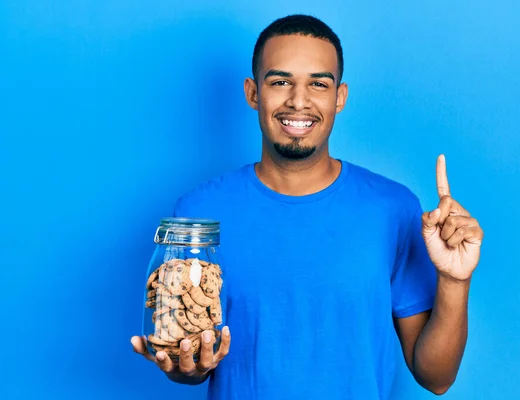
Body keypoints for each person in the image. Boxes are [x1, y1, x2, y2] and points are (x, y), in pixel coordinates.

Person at [131, 14, 484, 399]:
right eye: (280, 82)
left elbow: (437, 377)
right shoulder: (199, 215)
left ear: (340, 97)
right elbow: (191, 353)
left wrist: (454, 280)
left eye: (318, 83)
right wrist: (184, 370)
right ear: (253, 93)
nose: (298, 101)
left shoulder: (394, 209)